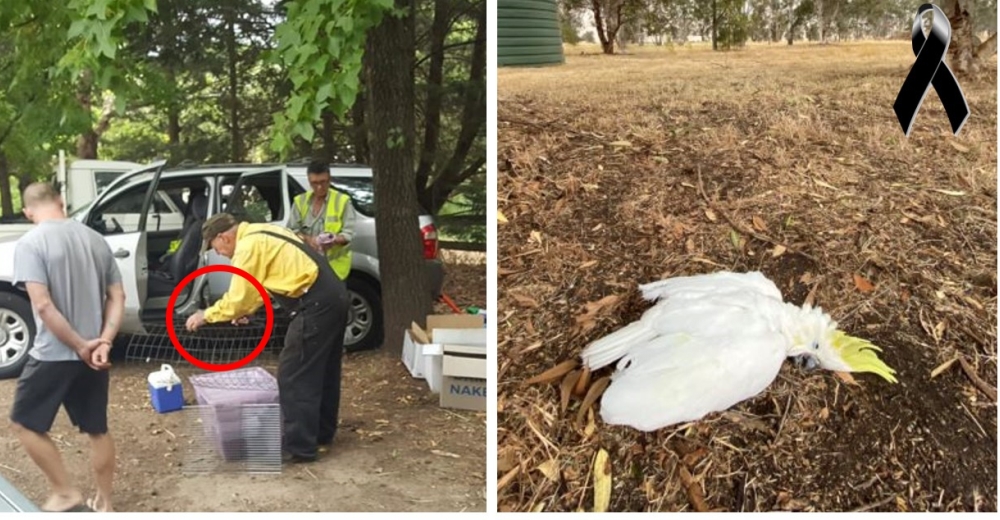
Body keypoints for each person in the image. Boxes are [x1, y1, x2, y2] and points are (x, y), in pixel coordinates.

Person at [185, 213, 349, 463]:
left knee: (293, 374)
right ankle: (321, 435)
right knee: (323, 370)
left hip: (314, 304)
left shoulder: (247, 247)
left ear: (223, 237)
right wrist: (246, 310)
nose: (218, 254)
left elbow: (239, 298)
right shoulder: (263, 231)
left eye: (215, 247)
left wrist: (206, 315)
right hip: (333, 296)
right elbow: (269, 280)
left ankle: (300, 448)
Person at [9, 182, 125, 513]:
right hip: (95, 357)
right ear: (62, 202)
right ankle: (105, 502)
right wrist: (103, 341)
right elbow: (117, 297)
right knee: (97, 430)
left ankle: (64, 492)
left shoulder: (31, 243)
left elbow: (43, 306)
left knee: (24, 423)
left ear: (28, 211)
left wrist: (80, 345)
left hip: (53, 353)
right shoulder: (95, 240)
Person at [288, 160, 356, 280]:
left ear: (329, 180)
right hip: (306, 268)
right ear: (309, 181)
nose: (319, 187)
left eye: (323, 182)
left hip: (335, 269)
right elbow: (291, 231)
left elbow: (348, 234)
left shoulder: (343, 201)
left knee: (333, 299)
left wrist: (333, 239)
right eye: (314, 183)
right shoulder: (300, 201)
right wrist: (309, 240)